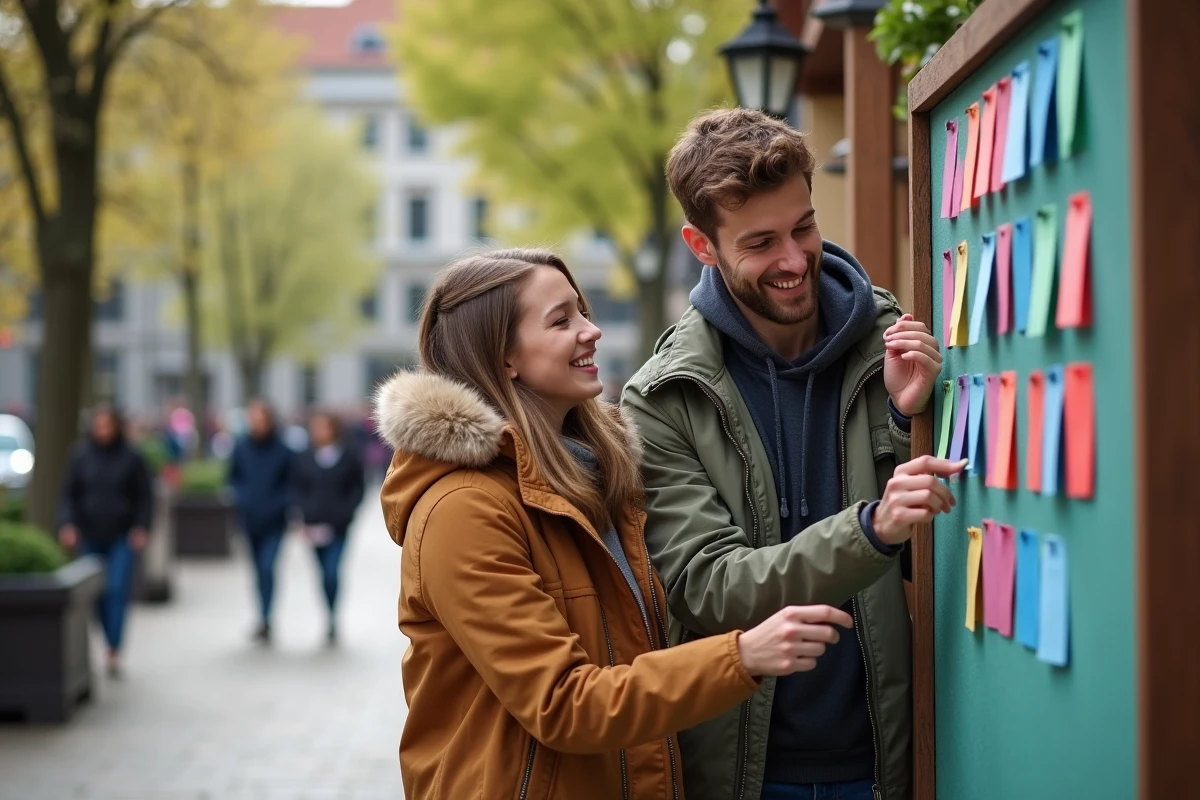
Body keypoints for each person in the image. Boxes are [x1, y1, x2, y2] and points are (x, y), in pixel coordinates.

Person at [374, 248, 856, 800]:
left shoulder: (598, 477)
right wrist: (740, 656)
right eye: (562, 320)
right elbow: (563, 703)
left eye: (582, 311)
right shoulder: (463, 508)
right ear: (503, 356)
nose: (593, 330)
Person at [622, 108, 967, 800]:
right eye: (760, 243)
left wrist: (909, 420)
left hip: (887, 761)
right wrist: (870, 528)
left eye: (803, 227)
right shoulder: (663, 400)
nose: (793, 259)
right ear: (701, 244)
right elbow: (707, 585)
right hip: (747, 772)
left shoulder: (894, 347)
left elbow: (954, 552)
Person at [58, 405, 154, 678]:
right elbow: (68, 494)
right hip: (89, 534)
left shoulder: (132, 457)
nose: (103, 431)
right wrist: (67, 524)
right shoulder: (80, 456)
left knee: (116, 589)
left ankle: (114, 646)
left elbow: (144, 496)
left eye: (107, 425)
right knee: (96, 594)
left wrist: (141, 527)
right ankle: (106, 638)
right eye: (98, 425)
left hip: (121, 535)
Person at [290, 410, 365, 645]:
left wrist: (347, 511)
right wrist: (303, 511)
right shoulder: (304, 457)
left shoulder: (348, 455)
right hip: (314, 526)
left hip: (339, 526)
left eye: (324, 427)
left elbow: (358, 488)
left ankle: (333, 615)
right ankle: (328, 613)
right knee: (322, 573)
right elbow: (296, 488)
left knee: (333, 572)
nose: (320, 432)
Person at [227, 399, 293, 644]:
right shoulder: (241, 448)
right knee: (257, 571)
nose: (257, 423)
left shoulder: (283, 450)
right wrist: (241, 499)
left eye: (261, 418)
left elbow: (291, 483)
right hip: (249, 519)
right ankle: (262, 617)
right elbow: (233, 478)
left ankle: (266, 617)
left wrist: (280, 504)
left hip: (275, 521)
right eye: (253, 418)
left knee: (267, 567)